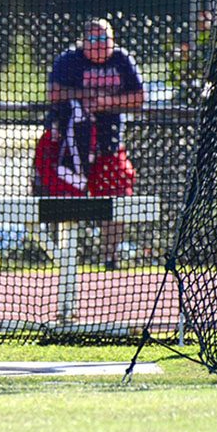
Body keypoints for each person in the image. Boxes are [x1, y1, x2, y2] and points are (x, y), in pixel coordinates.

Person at [48, 18, 145, 270]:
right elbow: (54, 93)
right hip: (72, 149)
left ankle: (110, 258)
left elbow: (139, 98)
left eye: (104, 39)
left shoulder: (121, 60)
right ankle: (64, 260)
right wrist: (85, 96)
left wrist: (106, 104)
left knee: (117, 200)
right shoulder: (70, 60)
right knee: (64, 202)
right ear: (84, 41)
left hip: (108, 146)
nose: (99, 44)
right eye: (93, 39)